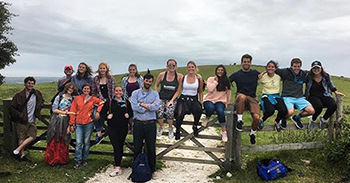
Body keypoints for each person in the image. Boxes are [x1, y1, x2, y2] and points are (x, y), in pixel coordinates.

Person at [130, 70, 160, 173]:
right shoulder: (135, 93)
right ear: (143, 80)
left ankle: (151, 169)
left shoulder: (155, 94)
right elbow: (134, 106)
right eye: (147, 80)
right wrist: (148, 107)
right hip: (138, 123)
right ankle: (137, 168)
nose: (148, 83)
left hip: (150, 124)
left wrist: (142, 104)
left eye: (150, 81)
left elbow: (156, 106)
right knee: (137, 147)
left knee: (151, 148)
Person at [68, 83, 104, 168]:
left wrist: (98, 111)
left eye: (88, 89)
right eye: (85, 88)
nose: (86, 90)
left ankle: (85, 159)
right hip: (79, 123)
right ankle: (77, 160)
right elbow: (72, 111)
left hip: (89, 123)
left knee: (86, 142)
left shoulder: (93, 99)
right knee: (79, 142)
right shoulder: (77, 99)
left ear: (90, 90)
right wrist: (71, 123)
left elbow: (102, 102)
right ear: (82, 89)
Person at [100, 86, 133, 176]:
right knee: (115, 145)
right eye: (116, 91)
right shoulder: (110, 102)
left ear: (122, 92)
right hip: (112, 127)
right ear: (114, 92)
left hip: (123, 127)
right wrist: (107, 116)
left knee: (120, 145)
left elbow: (131, 113)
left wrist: (128, 115)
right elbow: (102, 113)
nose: (118, 92)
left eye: (120, 90)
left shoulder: (126, 102)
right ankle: (117, 166)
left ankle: (119, 165)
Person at [9, 76, 44, 161]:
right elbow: (12, 108)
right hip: (22, 120)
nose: (30, 85)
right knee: (22, 137)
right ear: (25, 84)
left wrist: (38, 109)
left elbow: (41, 101)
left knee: (33, 136)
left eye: (32, 83)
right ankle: (22, 155)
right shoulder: (19, 95)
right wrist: (20, 115)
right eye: (29, 83)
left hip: (32, 119)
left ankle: (16, 151)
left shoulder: (36, 93)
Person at [229, 54, 260, 145]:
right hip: (240, 96)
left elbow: (265, 76)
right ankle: (239, 120)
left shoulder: (255, 73)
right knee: (242, 97)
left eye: (248, 62)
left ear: (251, 63)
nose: (246, 63)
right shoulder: (237, 74)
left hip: (252, 97)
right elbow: (226, 81)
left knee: (257, 118)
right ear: (241, 62)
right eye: (244, 62)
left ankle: (252, 133)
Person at [275, 58, 315, 129]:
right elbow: (273, 69)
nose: (297, 68)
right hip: (287, 97)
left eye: (298, 66)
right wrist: (263, 73)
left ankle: (297, 118)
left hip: (299, 97)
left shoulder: (303, 74)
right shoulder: (285, 72)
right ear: (291, 66)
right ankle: (283, 119)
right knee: (290, 112)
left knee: (311, 111)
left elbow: (315, 73)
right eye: (295, 66)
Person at [305, 61, 345, 130]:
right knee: (318, 106)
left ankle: (323, 119)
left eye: (318, 68)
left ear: (321, 69)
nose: (316, 70)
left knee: (333, 105)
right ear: (311, 69)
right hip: (312, 95)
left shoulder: (326, 76)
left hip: (324, 94)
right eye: (314, 68)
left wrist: (336, 92)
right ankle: (312, 120)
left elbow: (330, 84)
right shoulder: (308, 77)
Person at [44, 82, 76, 166]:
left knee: (64, 138)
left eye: (72, 88)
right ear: (66, 88)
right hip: (56, 119)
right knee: (54, 137)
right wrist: (64, 112)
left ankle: (62, 159)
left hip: (66, 120)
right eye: (69, 88)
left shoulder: (73, 99)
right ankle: (52, 159)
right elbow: (54, 109)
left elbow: (73, 111)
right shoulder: (59, 97)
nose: (70, 90)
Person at [154, 59, 183, 139]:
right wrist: (156, 97)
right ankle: (161, 126)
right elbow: (156, 85)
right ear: (166, 66)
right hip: (161, 97)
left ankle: (170, 128)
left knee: (170, 111)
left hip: (172, 98)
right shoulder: (162, 75)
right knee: (159, 110)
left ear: (176, 66)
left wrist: (172, 100)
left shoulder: (179, 77)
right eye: (169, 65)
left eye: (173, 65)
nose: (171, 67)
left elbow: (178, 90)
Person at [175, 61, 204, 140]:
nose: (191, 69)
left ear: (195, 68)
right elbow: (178, 90)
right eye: (189, 67)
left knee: (198, 110)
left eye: (192, 67)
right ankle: (177, 129)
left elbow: (201, 91)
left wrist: (201, 101)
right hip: (183, 98)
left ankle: (195, 126)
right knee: (179, 114)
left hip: (193, 98)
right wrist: (172, 100)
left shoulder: (198, 79)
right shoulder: (183, 78)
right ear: (187, 68)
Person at [203, 64, 231, 142]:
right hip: (209, 99)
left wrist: (228, 103)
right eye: (218, 70)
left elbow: (228, 93)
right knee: (210, 108)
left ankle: (223, 131)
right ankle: (207, 117)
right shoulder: (211, 79)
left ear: (224, 71)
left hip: (220, 100)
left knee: (220, 111)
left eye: (222, 70)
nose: (220, 72)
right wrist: (216, 82)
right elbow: (210, 89)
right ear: (216, 71)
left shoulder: (226, 81)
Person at [258, 61, 287, 132]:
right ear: (266, 67)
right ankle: (262, 120)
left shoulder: (278, 76)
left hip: (276, 95)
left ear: (275, 68)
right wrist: (262, 73)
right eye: (269, 67)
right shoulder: (262, 76)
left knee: (284, 110)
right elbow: (256, 82)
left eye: (272, 67)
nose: (270, 68)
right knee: (270, 110)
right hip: (266, 95)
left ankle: (277, 121)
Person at [92, 62, 116, 144]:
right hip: (98, 101)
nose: (102, 70)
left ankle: (102, 132)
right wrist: (96, 100)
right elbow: (94, 91)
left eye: (104, 68)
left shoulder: (111, 79)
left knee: (105, 115)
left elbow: (113, 92)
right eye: (101, 68)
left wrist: (110, 101)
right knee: (95, 114)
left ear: (106, 69)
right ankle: (99, 132)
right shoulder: (96, 79)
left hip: (108, 100)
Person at [121, 63, 144, 133]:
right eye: (130, 70)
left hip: (137, 99)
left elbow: (141, 89)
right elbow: (124, 90)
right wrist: (125, 100)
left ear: (136, 70)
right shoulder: (125, 79)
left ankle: (137, 127)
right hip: (128, 99)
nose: (132, 71)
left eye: (133, 70)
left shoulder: (140, 78)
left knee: (137, 113)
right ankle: (130, 126)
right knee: (129, 113)